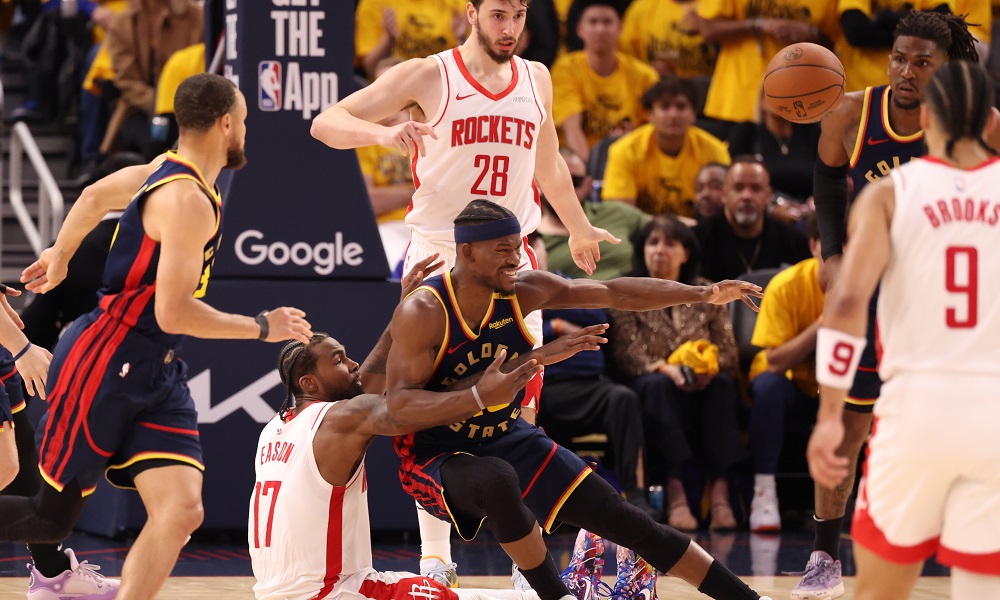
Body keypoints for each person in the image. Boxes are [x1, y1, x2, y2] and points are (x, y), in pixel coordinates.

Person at [311, 0, 618, 580]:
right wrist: (385, 131)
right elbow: (326, 122)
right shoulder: (431, 74)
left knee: (518, 402)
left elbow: (546, 160)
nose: (510, 29)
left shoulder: (538, 77)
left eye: (520, 15)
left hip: (513, 255)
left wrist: (577, 227)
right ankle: (434, 557)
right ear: (472, 12)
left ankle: (526, 567)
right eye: (499, 15)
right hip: (439, 254)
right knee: (430, 404)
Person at [0, 73, 313, 600]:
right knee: (47, 520)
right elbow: (172, 311)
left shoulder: (165, 171)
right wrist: (261, 327)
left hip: (155, 368)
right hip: (105, 357)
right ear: (227, 123)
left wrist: (61, 253)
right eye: (245, 124)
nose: (245, 134)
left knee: (182, 510)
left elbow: (96, 194)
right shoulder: (186, 198)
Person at [388, 199, 773, 600]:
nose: (516, 258)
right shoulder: (425, 311)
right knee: (498, 480)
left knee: (628, 521)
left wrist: (704, 293)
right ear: (467, 251)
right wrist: (477, 395)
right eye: (504, 249)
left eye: (518, 247)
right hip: (434, 453)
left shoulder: (523, 290)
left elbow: (614, 291)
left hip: (503, 434)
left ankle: (747, 598)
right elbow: (398, 408)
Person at [250, 254, 608, 600]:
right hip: (336, 592)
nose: (353, 362)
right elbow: (405, 411)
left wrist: (400, 318)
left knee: (440, 591)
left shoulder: (274, 430)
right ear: (310, 383)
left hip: (277, 593)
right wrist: (494, 385)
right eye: (339, 360)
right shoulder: (339, 418)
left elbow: (366, 386)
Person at [804, 11, 987, 597]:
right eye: (898, 58)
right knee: (850, 433)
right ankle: (823, 556)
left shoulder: (899, 189)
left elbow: (846, 301)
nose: (907, 72)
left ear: (949, 76)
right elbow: (829, 178)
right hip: (897, 303)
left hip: (930, 325)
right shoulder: (851, 113)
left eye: (923, 63)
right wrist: (832, 251)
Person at [607, 216, 748, 532]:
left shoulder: (708, 291)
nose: (660, 250)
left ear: (686, 253)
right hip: (652, 385)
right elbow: (627, 355)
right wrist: (665, 368)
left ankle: (722, 493)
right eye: (653, 242)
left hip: (703, 384)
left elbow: (727, 352)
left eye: (670, 243)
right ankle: (676, 491)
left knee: (724, 386)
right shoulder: (626, 291)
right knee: (657, 386)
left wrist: (707, 369)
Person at [746, 215, 827, 533]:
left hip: (837, 388)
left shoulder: (868, 287)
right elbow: (775, 361)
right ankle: (763, 495)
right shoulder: (786, 285)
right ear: (813, 245)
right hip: (792, 388)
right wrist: (824, 322)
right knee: (769, 386)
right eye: (832, 244)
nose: (841, 253)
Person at [601, 77, 731, 219]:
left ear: (693, 114)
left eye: (681, 107)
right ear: (650, 114)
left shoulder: (715, 151)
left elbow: (726, 206)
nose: (673, 114)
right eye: (665, 107)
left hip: (699, 233)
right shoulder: (624, 151)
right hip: (642, 234)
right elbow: (620, 215)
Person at [550, 0, 658, 162]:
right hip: (578, 164)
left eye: (607, 22)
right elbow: (572, 129)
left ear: (620, 28)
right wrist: (590, 172)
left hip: (628, 160)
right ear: (580, 29)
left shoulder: (644, 75)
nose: (600, 29)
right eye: (593, 22)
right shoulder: (565, 69)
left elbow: (652, 132)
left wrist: (628, 141)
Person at [538, 148, 650, 280]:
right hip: (576, 299)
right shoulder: (528, 237)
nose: (567, 189)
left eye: (576, 181)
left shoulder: (616, 212)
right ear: (539, 184)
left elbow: (667, 228)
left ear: (588, 184)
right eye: (557, 182)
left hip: (634, 294)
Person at [695, 156, 809, 282]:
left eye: (756, 188)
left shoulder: (796, 243)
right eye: (738, 188)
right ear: (724, 194)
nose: (747, 196)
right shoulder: (697, 241)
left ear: (768, 196)